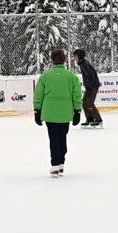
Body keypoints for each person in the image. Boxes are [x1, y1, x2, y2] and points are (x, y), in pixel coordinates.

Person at [34, 48, 84, 176]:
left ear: (52, 60)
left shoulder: (45, 76)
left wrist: (37, 111)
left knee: (53, 139)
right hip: (65, 113)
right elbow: (77, 95)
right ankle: (61, 163)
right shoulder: (71, 77)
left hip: (50, 113)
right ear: (64, 60)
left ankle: (55, 165)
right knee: (62, 138)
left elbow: (38, 95)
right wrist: (77, 111)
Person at [74, 48, 103, 128]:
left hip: (93, 87)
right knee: (84, 103)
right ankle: (90, 120)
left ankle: (98, 120)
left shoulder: (85, 64)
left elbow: (91, 75)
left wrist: (92, 86)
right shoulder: (82, 64)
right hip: (89, 87)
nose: (74, 58)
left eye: (75, 56)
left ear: (80, 57)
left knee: (90, 103)